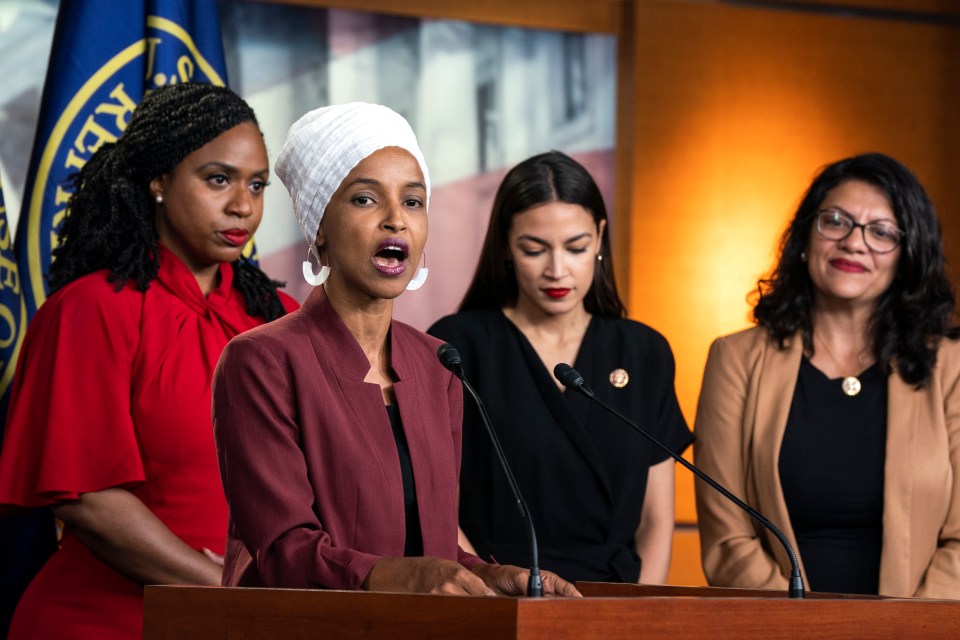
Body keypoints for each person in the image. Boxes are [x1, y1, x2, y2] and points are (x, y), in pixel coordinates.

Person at [212, 103, 578, 597]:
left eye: (413, 201)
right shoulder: (261, 361)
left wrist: (493, 576)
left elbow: (433, 552)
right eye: (365, 200)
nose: (395, 221)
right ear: (320, 225)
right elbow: (282, 550)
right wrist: (392, 576)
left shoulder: (438, 364)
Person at [0, 83, 298, 639]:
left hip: (255, 620)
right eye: (218, 179)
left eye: (257, 185)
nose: (243, 205)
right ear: (158, 180)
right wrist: (231, 590)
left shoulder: (280, 318)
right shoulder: (90, 311)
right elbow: (86, 498)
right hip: (110, 621)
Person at [694, 152, 960, 598]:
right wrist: (808, 628)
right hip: (776, 629)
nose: (854, 243)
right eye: (835, 221)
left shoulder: (951, 366)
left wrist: (909, 631)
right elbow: (728, 540)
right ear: (804, 238)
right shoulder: (735, 359)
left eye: (881, 232)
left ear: (907, 256)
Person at [428, 151, 693, 585]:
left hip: (616, 600)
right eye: (534, 249)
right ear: (506, 247)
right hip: (499, 593)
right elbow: (440, 507)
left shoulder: (644, 351)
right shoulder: (458, 346)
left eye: (576, 247)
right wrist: (484, 591)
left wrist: (644, 616)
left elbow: (655, 521)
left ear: (600, 239)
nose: (557, 270)